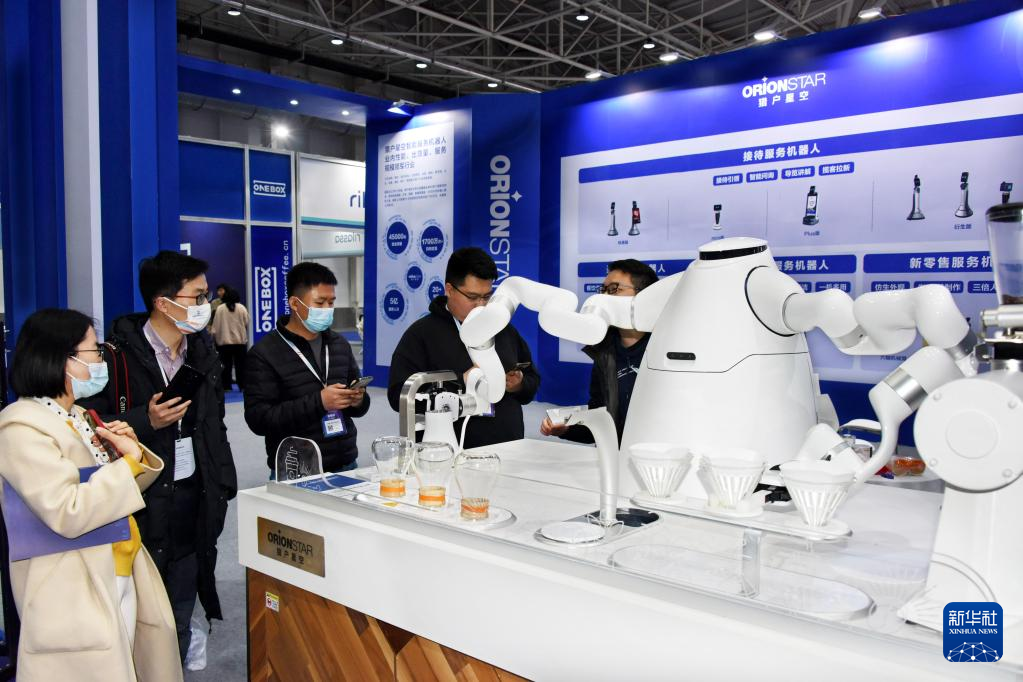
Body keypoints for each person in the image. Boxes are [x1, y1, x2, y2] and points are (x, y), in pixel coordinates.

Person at [0, 308, 182, 681]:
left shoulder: (77, 416)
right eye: (94, 351)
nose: (102, 361)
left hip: (114, 566)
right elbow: (67, 510)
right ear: (61, 359)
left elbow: (113, 493)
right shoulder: (21, 429)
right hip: (73, 583)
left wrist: (130, 456)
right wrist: (126, 466)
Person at [80, 250, 237, 663]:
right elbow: (89, 426)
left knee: (179, 613)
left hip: (194, 500)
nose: (205, 305)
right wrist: (145, 420)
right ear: (163, 303)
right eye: (197, 297)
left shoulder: (203, 352)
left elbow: (215, 424)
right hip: (142, 504)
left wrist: (223, 482)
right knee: (137, 621)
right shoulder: (115, 357)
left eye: (206, 296)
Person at [388, 247, 540, 449]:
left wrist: (518, 384)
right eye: (472, 297)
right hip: (450, 453)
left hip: (508, 447)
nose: (480, 305)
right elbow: (398, 396)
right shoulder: (421, 335)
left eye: (487, 296)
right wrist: (461, 382)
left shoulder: (503, 329)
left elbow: (531, 379)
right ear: (449, 290)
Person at [245, 262, 369, 474]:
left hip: (346, 463)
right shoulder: (265, 353)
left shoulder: (339, 344)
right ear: (295, 303)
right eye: (319, 303)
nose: (327, 309)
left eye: (331, 302)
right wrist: (319, 402)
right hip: (297, 469)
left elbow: (359, 406)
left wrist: (357, 401)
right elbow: (259, 419)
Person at [540, 259, 658, 444]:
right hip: (614, 457)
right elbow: (602, 422)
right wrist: (566, 429)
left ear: (643, 296)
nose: (603, 297)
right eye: (602, 290)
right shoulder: (604, 352)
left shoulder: (669, 345)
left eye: (614, 289)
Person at [210, 286, 249, 391]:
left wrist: (214, 338)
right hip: (240, 343)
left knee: (225, 366)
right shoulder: (241, 308)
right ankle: (242, 386)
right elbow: (246, 322)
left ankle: (226, 386)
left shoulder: (220, 309)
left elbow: (215, 327)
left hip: (224, 343)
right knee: (241, 365)